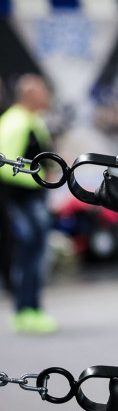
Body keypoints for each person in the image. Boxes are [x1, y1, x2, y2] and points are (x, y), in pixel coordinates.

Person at [0, 74, 56, 334]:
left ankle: (32, 308)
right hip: (23, 200)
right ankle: (26, 310)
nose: (47, 95)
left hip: (33, 199)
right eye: (43, 91)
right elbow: (6, 165)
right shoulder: (15, 122)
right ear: (31, 95)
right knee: (28, 255)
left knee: (34, 255)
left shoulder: (34, 121)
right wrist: (40, 181)